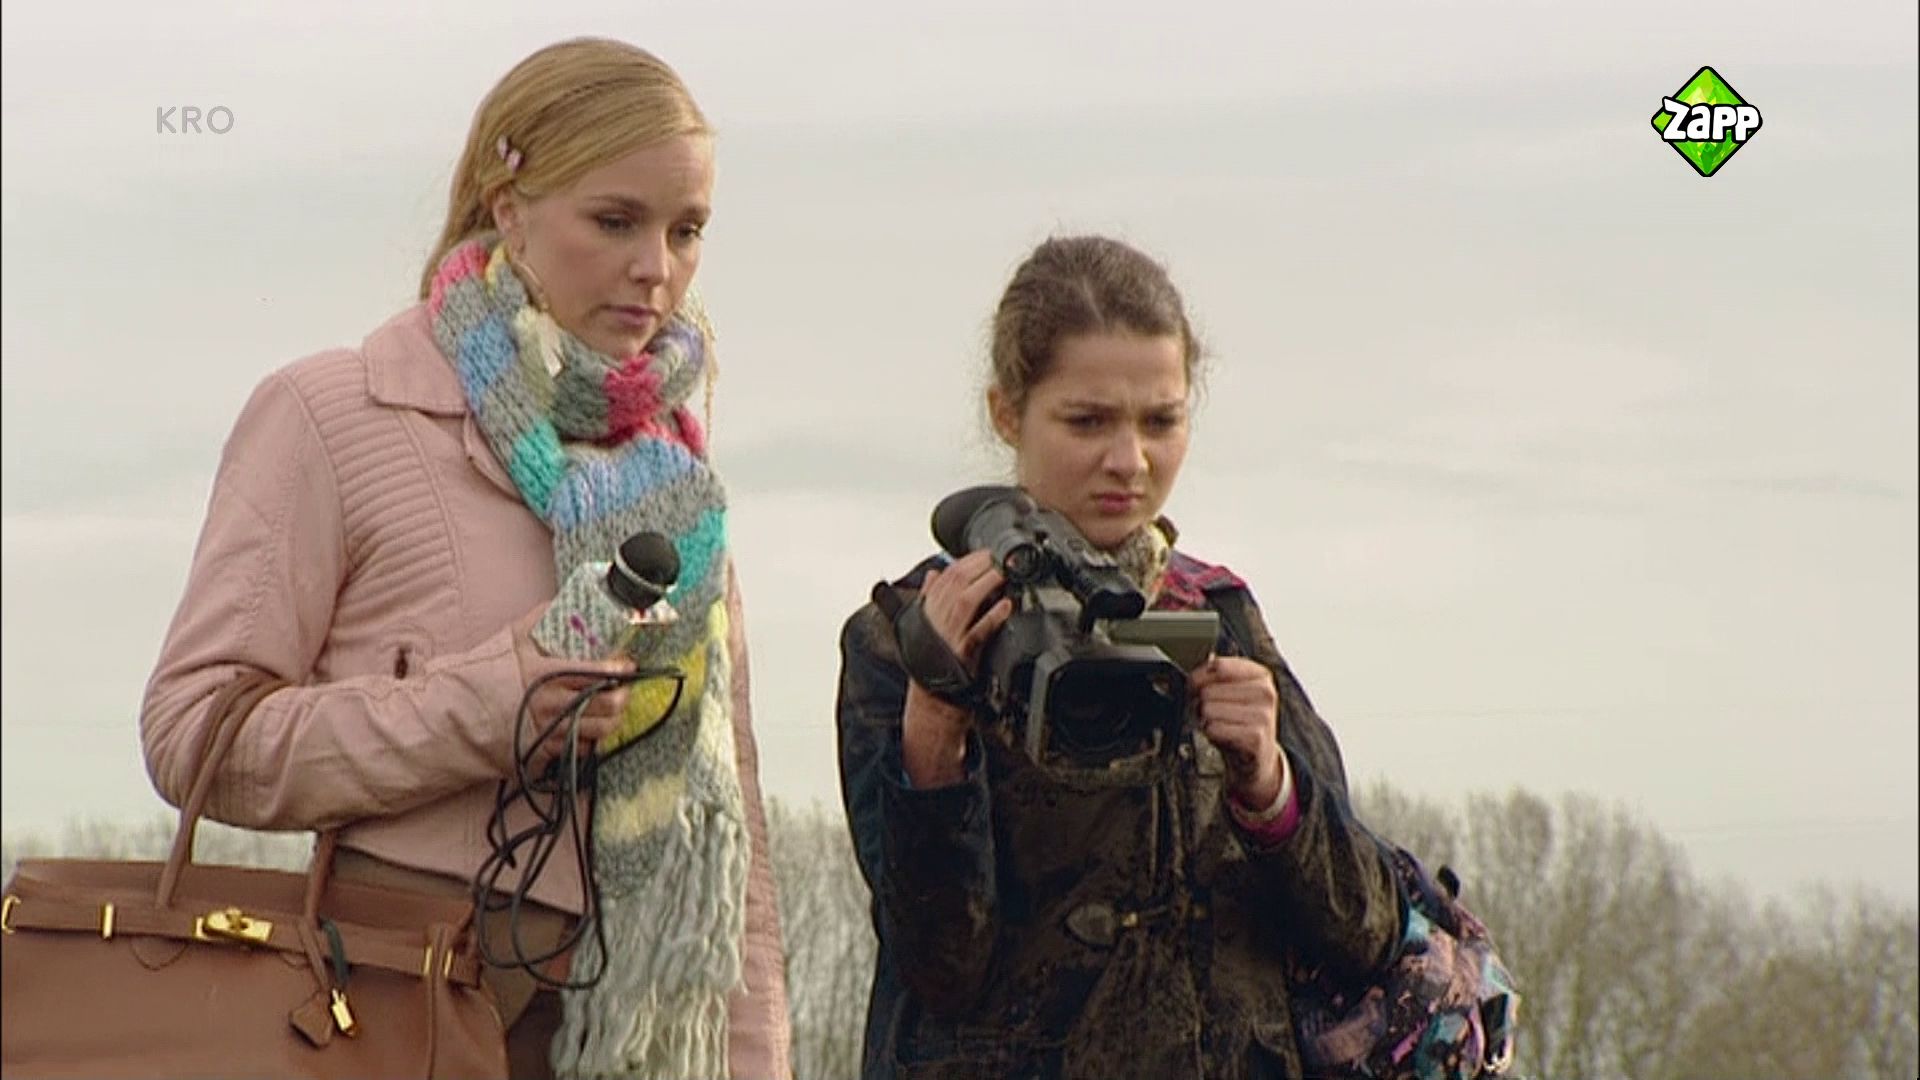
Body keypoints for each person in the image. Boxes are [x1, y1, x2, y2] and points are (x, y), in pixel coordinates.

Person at [139, 37, 791, 1080]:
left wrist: (754, 1064)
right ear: (508, 207)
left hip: (636, 1039)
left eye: (687, 230)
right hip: (382, 1014)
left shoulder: (676, 480)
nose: (656, 267)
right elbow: (191, 734)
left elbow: (733, 841)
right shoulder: (334, 412)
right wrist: (482, 708)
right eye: (615, 220)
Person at [835, 235, 1406, 1079]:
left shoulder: (1217, 614)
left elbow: (1368, 932)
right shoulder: (908, 634)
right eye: (1088, 421)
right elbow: (938, 967)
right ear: (1007, 413)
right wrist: (935, 729)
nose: (1129, 461)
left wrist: (1270, 788)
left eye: (1161, 421)